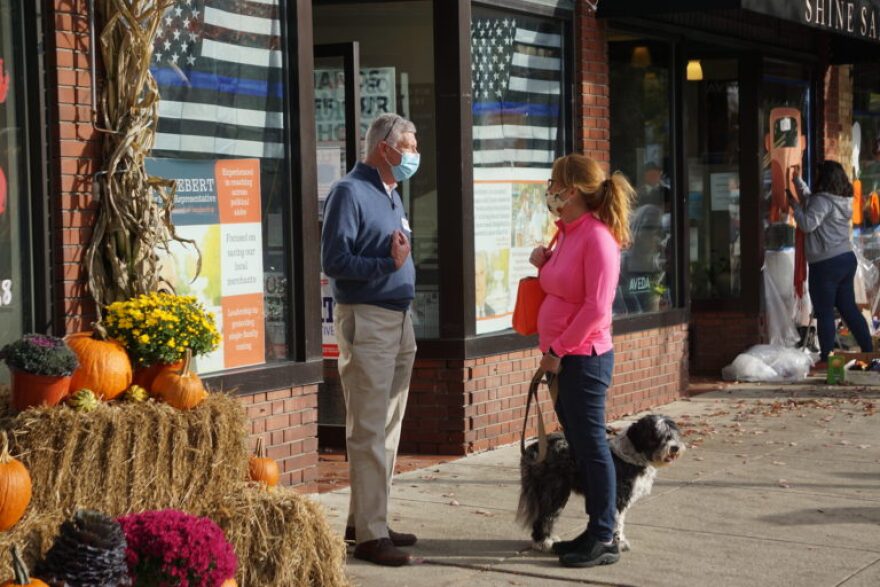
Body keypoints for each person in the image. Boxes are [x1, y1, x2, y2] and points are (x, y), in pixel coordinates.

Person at [321, 113, 419, 567]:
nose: (414, 154)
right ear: (385, 147)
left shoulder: (391, 193)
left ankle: (368, 519)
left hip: (400, 320)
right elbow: (335, 261)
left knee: (389, 427)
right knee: (368, 427)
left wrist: (394, 264)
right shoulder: (349, 191)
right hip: (369, 319)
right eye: (409, 145)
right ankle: (370, 536)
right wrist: (386, 265)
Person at [528, 153, 635, 568]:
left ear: (571, 191)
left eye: (554, 181)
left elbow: (596, 309)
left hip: (584, 360)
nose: (549, 188)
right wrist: (545, 264)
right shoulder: (568, 233)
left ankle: (604, 536)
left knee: (593, 449)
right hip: (565, 359)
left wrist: (557, 351)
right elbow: (566, 285)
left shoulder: (597, 238)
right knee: (582, 446)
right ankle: (595, 529)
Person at [790, 160, 873, 365]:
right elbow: (812, 202)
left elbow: (808, 223)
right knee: (848, 308)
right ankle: (869, 351)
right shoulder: (842, 199)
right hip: (846, 259)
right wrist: (797, 182)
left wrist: (793, 205)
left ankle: (827, 357)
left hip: (825, 264)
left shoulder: (822, 201)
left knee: (825, 310)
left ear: (824, 178)